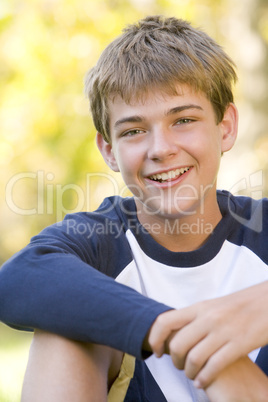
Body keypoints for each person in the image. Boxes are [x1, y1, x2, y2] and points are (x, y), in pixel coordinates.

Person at [0, 15, 268, 401]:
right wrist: (177, 334)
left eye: (184, 119)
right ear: (109, 150)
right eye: (133, 131)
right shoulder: (98, 243)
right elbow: (19, 278)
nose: (160, 149)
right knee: (65, 322)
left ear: (225, 127)